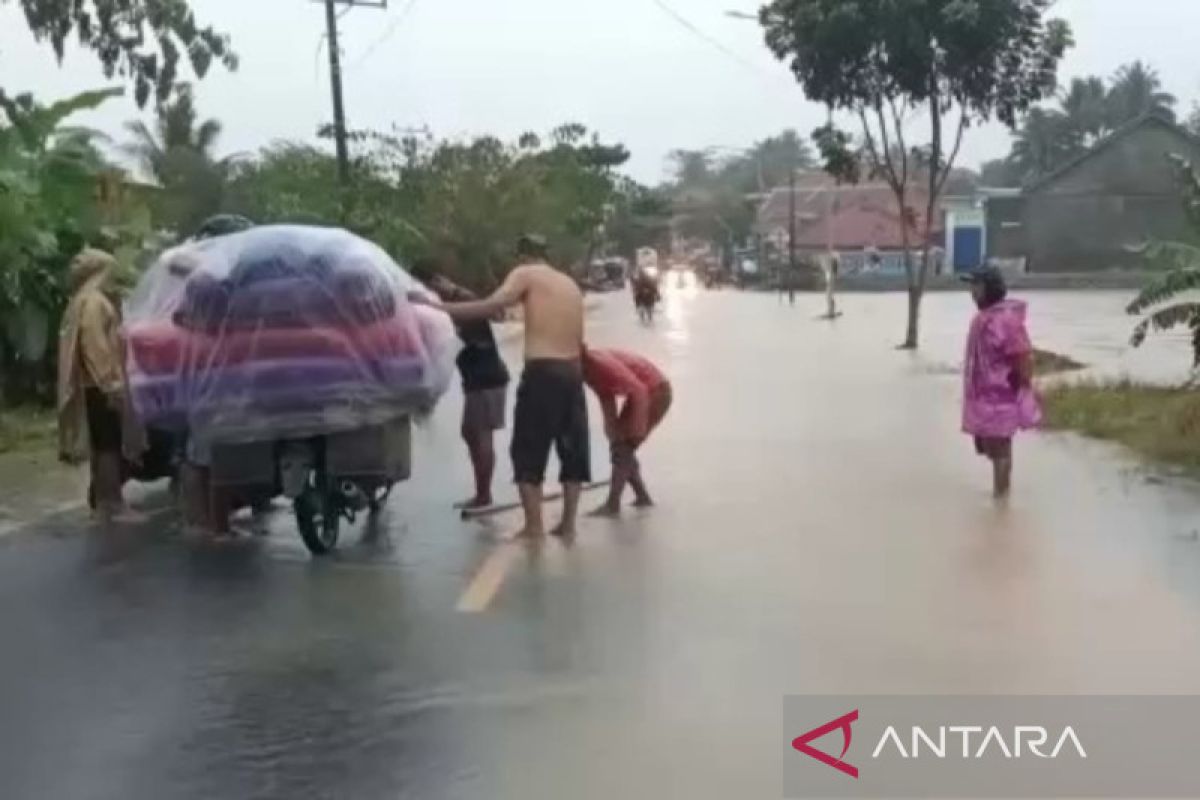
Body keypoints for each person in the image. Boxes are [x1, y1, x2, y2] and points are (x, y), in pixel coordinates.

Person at [414, 235, 590, 540]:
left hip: (543, 372)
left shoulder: (525, 274)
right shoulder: (568, 282)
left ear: (522, 256)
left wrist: (435, 308)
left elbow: (491, 307)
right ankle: (568, 525)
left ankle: (533, 527)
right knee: (571, 448)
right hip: (573, 372)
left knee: (527, 450)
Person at [411, 256, 511, 510]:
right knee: (471, 433)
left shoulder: (463, 299)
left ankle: (484, 496)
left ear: (437, 281)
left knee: (480, 435)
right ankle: (482, 492)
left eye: (431, 287)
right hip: (477, 379)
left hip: (487, 377)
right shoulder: (446, 302)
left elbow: (484, 322)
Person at [57, 248, 146, 523]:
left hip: (90, 384)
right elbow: (95, 346)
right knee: (109, 445)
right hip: (100, 383)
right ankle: (111, 505)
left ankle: (102, 503)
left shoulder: (79, 300)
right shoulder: (94, 302)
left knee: (101, 444)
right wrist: (112, 384)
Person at [961, 266, 1041, 499]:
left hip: (1001, 395)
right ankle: (1001, 495)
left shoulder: (1006, 321)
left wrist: (1020, 387)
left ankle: (1001, 502)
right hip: (983, 397)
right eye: (971, 286)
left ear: (989, 288)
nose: (972, 292)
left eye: (976, 286)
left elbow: (1022, 357)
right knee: (992, 449)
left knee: (1001, 451)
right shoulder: (982, 319)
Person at [581, 347, 672, 516]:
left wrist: (635, 431)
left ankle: (612, 504)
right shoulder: (587, 369)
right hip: (645, 392)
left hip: (656, 392)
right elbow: (605, 396)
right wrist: (612, 429)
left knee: (623, 449)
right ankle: (642, 497)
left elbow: (639, 390)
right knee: (621, 447)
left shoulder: (598, 363)